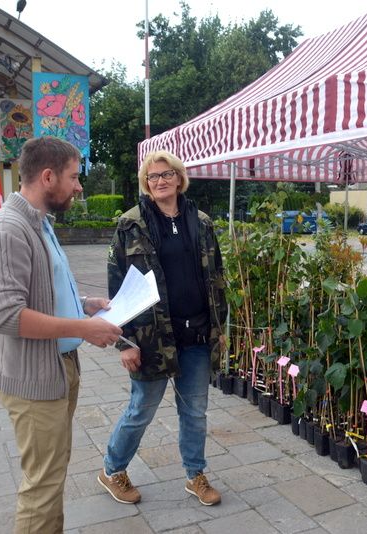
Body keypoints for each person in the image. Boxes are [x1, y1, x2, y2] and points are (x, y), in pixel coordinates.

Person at [0, 136, 122, 533]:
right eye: (74, 177)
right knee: (42, 486)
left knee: (51, 475)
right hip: (34, 378)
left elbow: (47, 288)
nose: (79, 186)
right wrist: (83, 329)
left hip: (57, 368)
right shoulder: (10, 230)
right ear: (47, 177)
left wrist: (84, 303)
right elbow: (6, 315)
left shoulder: (39, 223)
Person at [98, 150, 227, 507]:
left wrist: (221, 326)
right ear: (146, 183)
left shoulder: (201, 221)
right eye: (152, 177)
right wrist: (123, 342)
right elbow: (116, 287)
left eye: (166, 174)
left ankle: (195, 475)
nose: (160, 181)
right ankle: (113, 469)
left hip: (198, 333)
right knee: (142, 408)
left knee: (195, 410)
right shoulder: (130, 224)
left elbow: (217, 277)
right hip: (152, 338)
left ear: (179, 177)